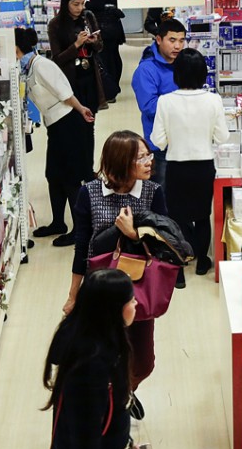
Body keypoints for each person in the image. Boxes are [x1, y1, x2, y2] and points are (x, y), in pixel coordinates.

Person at [43, 269, 148, 449]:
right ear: (113, 309)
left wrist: (123, 438)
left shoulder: (100, 341)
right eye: (131, 300)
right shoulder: (89, 366)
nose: (136, 304)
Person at [69, 131, 169, 384]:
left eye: (149, 155)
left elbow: (165, 244)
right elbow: (82, 246)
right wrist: (72, 295)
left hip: (138, 290)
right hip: (98, 289)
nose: (149, 161)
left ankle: (126, 391)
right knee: (100, 357)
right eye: (141, 157)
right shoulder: (89, 193)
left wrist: (133, 234)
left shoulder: (153, 192)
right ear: (121, 162)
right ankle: (112, 402)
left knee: (143, 362)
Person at [150, 50, 228, 276]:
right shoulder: (213, 100)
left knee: (177, 218)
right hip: (204, 166)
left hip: (177, 166)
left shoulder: (165, 102)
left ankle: (180, 269)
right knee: (203, 216)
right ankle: (203, 261)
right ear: (203, 73)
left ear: (177, 73)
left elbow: (158, 140)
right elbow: (222, 137)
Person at [15, 28, 95, 247]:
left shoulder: (42, 65)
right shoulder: (27, 68)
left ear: (15, 49)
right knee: (53, 175)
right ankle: (58, 222)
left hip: (68, 122)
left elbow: (65, 93)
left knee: (70, 178)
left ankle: (80, 229)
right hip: (55, 125)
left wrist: (81, 110)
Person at [132, 19, 186, 187]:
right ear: (158, 39)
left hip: (185, 140)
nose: (177, 46)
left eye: (181, 40)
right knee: (162, 195)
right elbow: (149, 106)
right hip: (160, 145)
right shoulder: (146, 70)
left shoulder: (184, 63)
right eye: (172, 40)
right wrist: (184, 104)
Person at [48, 0, 108, 113]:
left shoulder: (88, 17)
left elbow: (100, 47)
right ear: (66, 3)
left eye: (82, 3)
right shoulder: (55, 25)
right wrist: (76, 44)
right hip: (70, 79)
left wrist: (94, 41)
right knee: (75, 121)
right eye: (75, 4)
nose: (80, 8)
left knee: (90, 118)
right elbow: (57, 59)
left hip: (90, 76)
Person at [84, 0, 125, 103]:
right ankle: (112, 89)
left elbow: (96, 5)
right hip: (112, 26)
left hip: (106, 27)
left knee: (107, 58)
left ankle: (110, 90)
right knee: (112, 56)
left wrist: (85, 4)